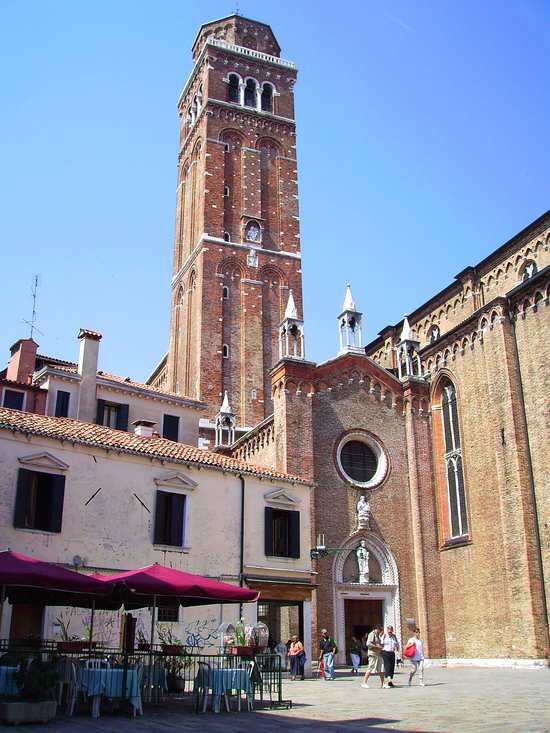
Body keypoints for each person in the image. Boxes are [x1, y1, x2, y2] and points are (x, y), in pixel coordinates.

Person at [361, 624, 384, 688]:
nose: (380, 631)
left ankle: (383, 683)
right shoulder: (372, 634)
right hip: (373, 654)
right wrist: (377, 646)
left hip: (378, 654)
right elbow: (368, 644)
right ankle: (364, 683)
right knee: (370, 667)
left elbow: (377, 643)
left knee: (381, 668)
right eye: (380, 630)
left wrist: (381, 645)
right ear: (376, 629)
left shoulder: (377, 635)